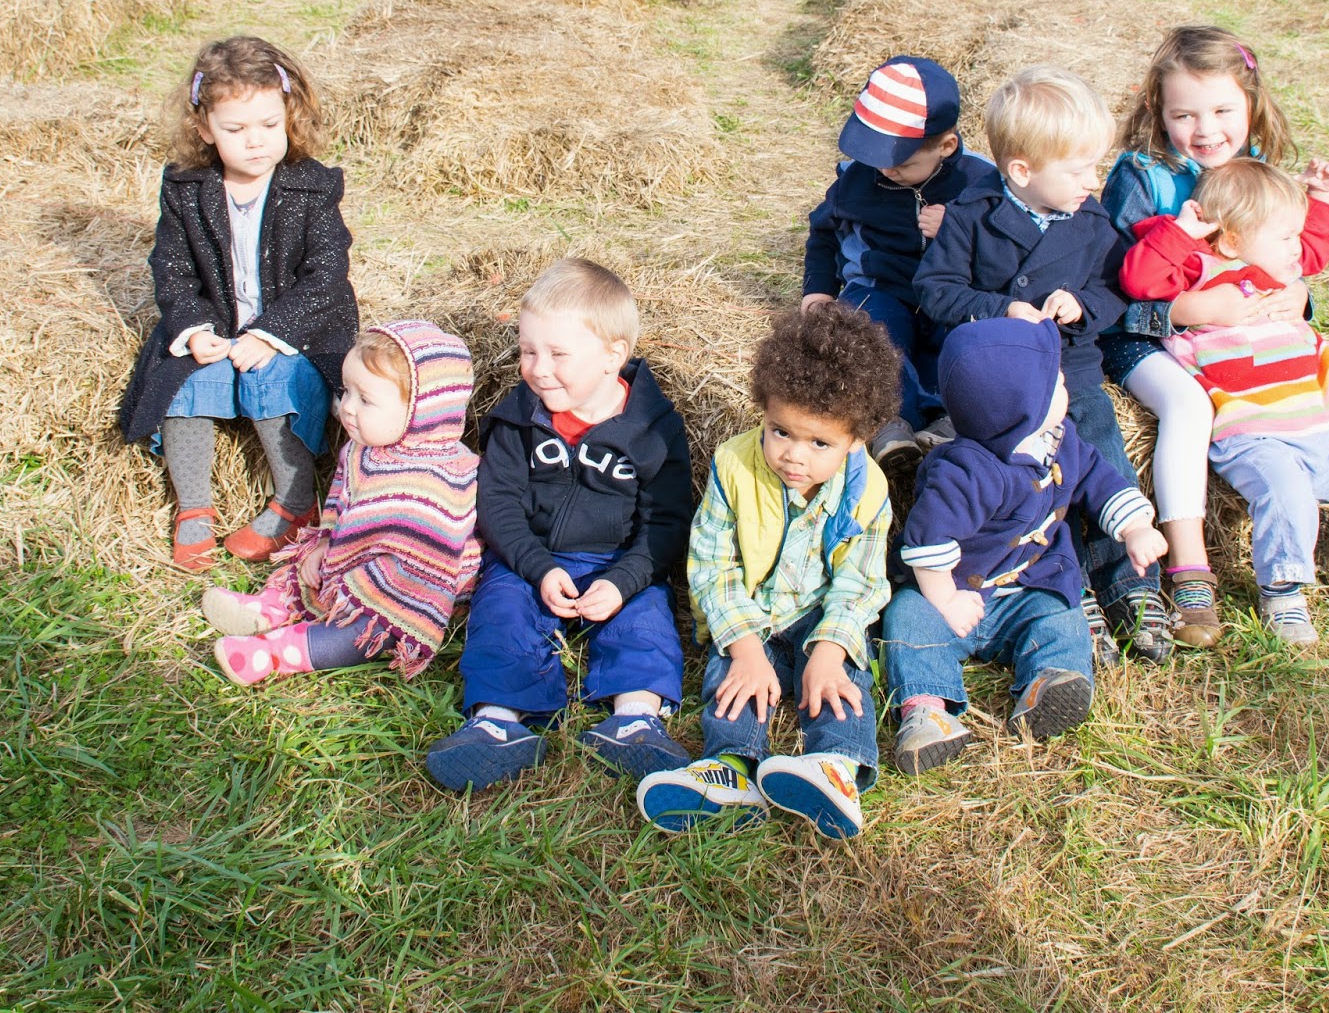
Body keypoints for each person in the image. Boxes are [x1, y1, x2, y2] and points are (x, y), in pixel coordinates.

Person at [1120, 158, 1329, 646]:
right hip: (1254, 431)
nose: (1298, 247)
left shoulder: (1276, 271)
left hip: (1324, 420)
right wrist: (1181, 233)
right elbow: (1140, 280)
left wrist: (1321, 200)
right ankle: (1283, 594)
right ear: (1233, 241)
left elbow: (1312, 249)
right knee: (1287, 498)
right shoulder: (1199, 270)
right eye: (1286, 236)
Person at [915, 64, 1174, 665]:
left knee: (1101, 453)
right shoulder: (971, 216)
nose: (1093, 181)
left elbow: (1116, 290)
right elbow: (934, 289)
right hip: (997, 379)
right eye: (1079, 170)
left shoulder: (1091, 222)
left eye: (1093, 166)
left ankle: (1129, 582)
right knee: (1025, 477)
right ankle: (1065, 588)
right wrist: (1000, 308)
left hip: (1069, 369)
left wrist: (1081, 305)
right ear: (1022, 171)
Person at [425, 259, 694, 790]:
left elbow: (666, 522)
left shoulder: (653, 430)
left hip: (618, 561)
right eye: (527, 351)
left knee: (644, 620)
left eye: (557, 354)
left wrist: (623, 582)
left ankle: (636, 719)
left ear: (613, 356)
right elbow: (498, 503)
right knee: (501, 611)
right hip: (532, 557)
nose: (538, 368)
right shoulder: (519, 417)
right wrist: (537, 567)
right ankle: (497, 723)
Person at [637, 304, 899, 839]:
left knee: (843, 683)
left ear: (857, 438)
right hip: (750, 613)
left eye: (819, 443)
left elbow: (860, 584)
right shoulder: (733, 465)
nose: (793, 456)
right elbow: (713, 567)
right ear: (763, 410)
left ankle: (835, 767)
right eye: (780, 432)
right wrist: (746, 650)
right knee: (731, 683)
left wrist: (829, 650)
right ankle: (730, 768)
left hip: (820, 616)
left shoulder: (868, 489)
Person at [1098, 25, 1311, 648]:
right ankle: (1190, 569)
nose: (1206, 129)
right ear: (1157, 112)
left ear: (1252, 103)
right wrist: (1185, 311)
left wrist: (1297, 295)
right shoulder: (1145, 179)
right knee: (1192, 407)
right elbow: (1111, 287)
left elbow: (1286, 254)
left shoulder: (1257, 169)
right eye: (1184, 115)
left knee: (1293, 388)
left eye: (1222, 111)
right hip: (1144, 338)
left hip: (1229, 334)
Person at [881, 319, 1167, 774]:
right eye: (1056, 382)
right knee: (908, 617)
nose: (1065, 383)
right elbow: (927, 542)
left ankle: (1048, 683)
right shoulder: (964, 472)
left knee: (1063, 616)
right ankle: (926, 709)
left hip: (1028, 586)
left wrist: (1134, 527)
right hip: (951, 592)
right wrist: (947, 601)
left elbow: (1100, 480)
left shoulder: (1061, 441)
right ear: (1021, 408)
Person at [119, 35, 358, 571]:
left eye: (269, 125)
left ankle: (294, 501)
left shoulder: (312, 186)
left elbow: (326, 276)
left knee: (269, 377)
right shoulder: (186, 187)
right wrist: (194, 328)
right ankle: (193, 506)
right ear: (204, 128)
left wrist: (271, 334)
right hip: (221, 324)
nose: (255, 142)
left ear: (289, 115)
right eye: (235, 129)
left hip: (298, 329)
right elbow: (173, 268)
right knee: (183, 376)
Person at [208, 321, 481, 683]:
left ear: (423, 411)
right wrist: (326, 543)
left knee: (370, 630)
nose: (348, 408)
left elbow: (426, 560)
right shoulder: (361, 451)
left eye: (365, 399)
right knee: (305, 568)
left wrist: (363, 576)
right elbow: (341, 502)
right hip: (355, 560)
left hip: (407, 585)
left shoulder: (442, 477)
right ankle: (267, 608)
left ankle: (279, 652)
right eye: (347, 391)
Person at [802, 55, 992, 466]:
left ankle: (949, 418)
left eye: (903, 163)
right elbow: (824, 234)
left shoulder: (979, 183)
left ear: (947, 146)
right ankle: (891, 421)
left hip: (953, 291)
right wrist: (818, 289)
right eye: (878, 157)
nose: (887, 170)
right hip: (883, 287)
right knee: (869, 333)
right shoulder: (857, 179)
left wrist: (959, 229)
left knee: (967, 339)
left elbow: (1007, 249)